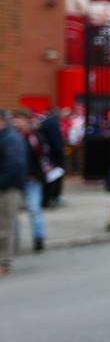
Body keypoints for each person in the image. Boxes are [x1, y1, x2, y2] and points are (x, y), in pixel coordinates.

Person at [11, 111, 46, 252]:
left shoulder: (34, 138)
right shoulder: (11, 137)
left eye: (19, 119)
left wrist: (36, 175)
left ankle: (38, 238)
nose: (16, 122)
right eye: (15, 119)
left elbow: (42, 158)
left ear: (27, 121)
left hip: (31, 180)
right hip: (15, 180)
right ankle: (15, 241)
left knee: (34, 210)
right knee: (13, 212)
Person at [0, 111, 26, 276]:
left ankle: (4, 263)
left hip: (8, 190)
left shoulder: (10, 139)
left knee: (4, 228)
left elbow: (14, 166)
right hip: (5, 187)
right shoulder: (5, 137)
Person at [38, 108, 65, 208]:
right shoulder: (53, 124)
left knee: (47, 179)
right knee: (54, 178)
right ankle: (51, 199)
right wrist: (60, 154)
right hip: (53, 156)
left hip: (45, 155)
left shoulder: (44, 123)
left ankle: (46, 199)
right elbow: (55, 142)